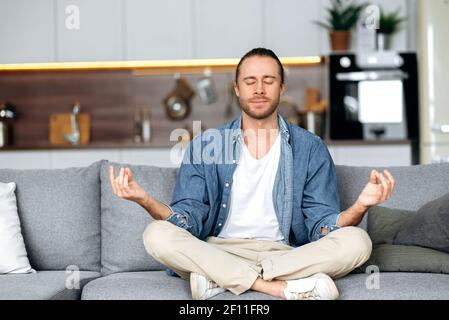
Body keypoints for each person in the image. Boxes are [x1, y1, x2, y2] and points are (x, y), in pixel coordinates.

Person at [109, 48, 395, 300]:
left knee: (357, 242)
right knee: (156, 235)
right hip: (219, 250)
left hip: (286, 254)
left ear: (282, 88)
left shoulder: (310, 148)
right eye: (250, 81)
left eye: (268, 80)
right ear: (237, 88)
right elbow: (188, 220)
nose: (259, 89)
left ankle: (221, 279)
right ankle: (276, 287)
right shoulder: (207, 146)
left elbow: (320, 225)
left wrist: (361, 206)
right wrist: (144, 199)